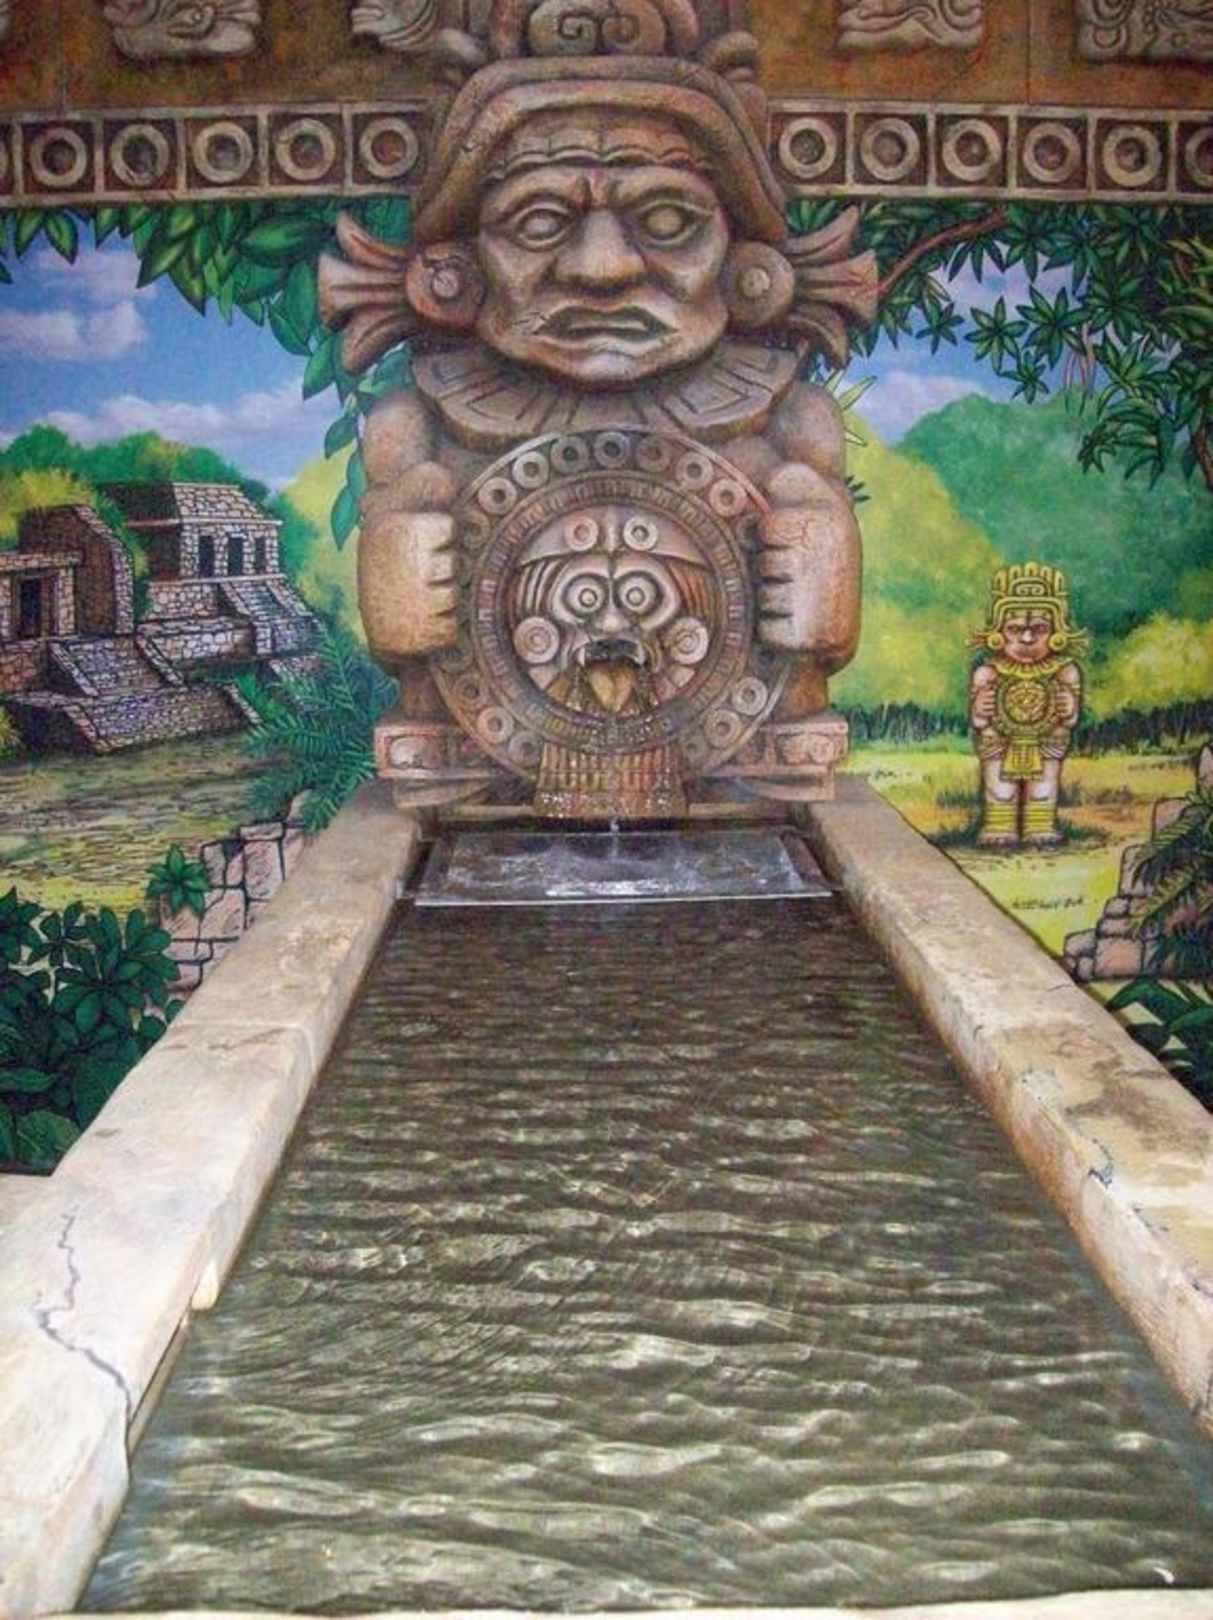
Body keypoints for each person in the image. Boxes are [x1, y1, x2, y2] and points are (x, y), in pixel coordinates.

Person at [969, 563, 1088, 846]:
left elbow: (1070, 720)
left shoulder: (1065, 671)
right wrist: (980, 709)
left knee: (1043, 787)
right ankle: (999, 827)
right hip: (999, 742)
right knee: (1000, 788)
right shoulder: (987, 672)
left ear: (1056, 632)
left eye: (1039, 629)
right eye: (1014, 629)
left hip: (1047, 741)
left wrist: (1069, 707)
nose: (1026, 639)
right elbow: (978, 722)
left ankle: (1040, 826)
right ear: (998, 632)